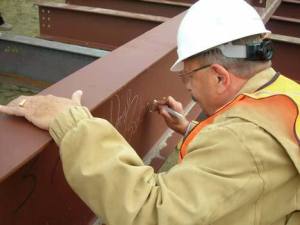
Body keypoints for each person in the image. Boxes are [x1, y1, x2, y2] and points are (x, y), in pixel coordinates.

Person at [0, 0, 300, 224]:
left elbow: (153, 213)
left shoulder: (242, 141)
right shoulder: (287, 95)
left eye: (188, 77)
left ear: (220, 77)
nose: (189, 89)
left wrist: (73, 125)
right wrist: (192, 129)